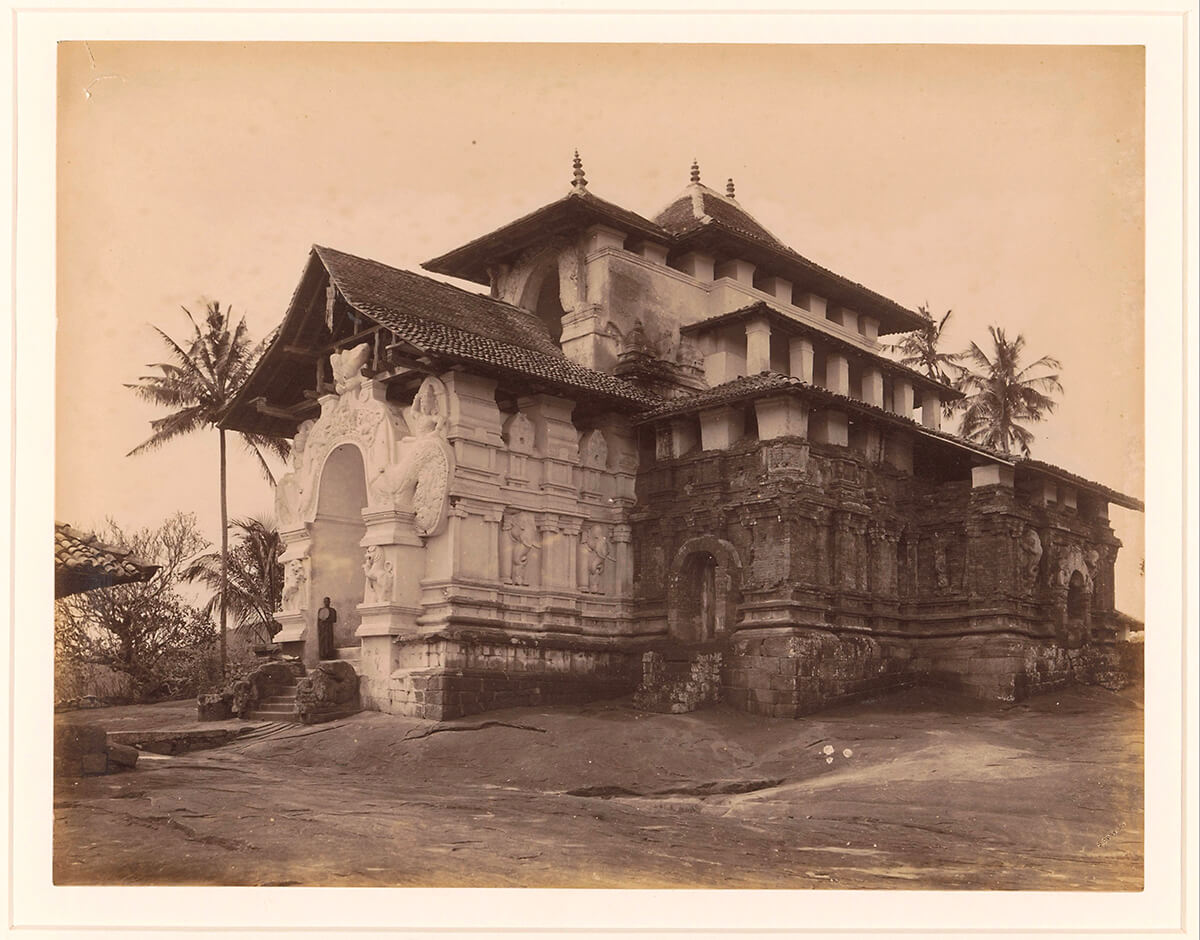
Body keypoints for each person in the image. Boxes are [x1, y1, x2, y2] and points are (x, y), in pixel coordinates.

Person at [317, 596, 337, 660]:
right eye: (325, 601)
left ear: (329, 602)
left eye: (327, 601)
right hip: (322, 630)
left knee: (329, 641)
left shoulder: (332, 610)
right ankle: (323, 656)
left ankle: (330, 655)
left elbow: (334, 620)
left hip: (329, 629)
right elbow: (318, 620)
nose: (326, 603)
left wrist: (327, 620)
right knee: (323, 642)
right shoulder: (320, 610)